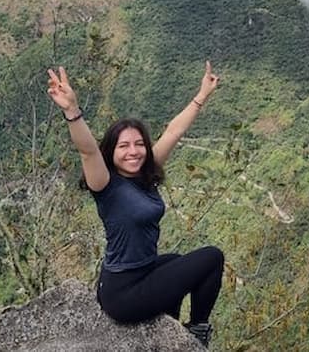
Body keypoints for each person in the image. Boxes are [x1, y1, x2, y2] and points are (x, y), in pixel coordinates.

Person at [47, 61, 224, 348]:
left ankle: (168, 327)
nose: (133, 152)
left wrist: (202, 95)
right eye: (123, 146)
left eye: (139, 144)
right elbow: (87, 150)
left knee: (177, 260)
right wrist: (72, 111)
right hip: (123, 292)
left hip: (143, 272)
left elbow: (173, 133)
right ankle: (198, 331)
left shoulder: (145, 173)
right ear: (111, 151)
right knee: (212, 257)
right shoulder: (105, 185)